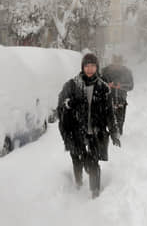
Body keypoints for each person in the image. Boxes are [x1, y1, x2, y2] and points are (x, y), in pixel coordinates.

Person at [57, 53, 120, 198]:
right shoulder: (72, 85)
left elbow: (110, 113)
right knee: (77, 159)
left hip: (95, 132)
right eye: (87, 66)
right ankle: (78, 183)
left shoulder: (103, 88)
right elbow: (60, 106)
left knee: (93, 163)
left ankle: (95, 192)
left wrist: (114, 132)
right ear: (82, 67)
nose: (90, 69)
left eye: (93, 66)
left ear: (97, 67)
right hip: (75, 131)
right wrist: (68, 105)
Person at [100, 54, 134, 135]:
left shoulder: (127, 72)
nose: (117, 65)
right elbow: (99, 84)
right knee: (107, 120)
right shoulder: (105, 71)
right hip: (107, 100)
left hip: (121, 100)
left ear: (122, 63)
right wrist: (108, 85)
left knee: (120, 121)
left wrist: (121, 86)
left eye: (119, 63)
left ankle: (119, 138)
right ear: (112, 62)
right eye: (115, 63)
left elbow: (131, 86)